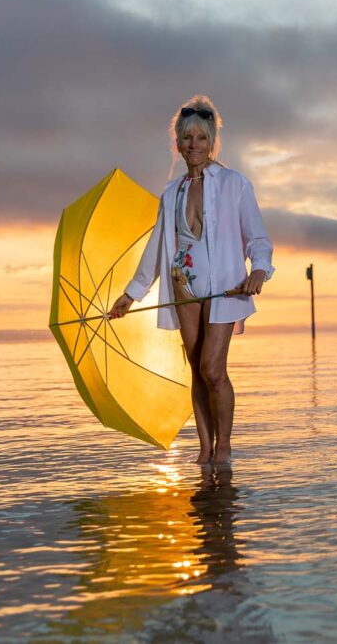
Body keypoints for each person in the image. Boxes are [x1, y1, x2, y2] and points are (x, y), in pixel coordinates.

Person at [108, 95, 274, 467]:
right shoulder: (171, 192)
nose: (193, 145)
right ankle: (204, 449)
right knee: (196, 368)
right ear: (178, 144)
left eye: (200, 138)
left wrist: (259, 269)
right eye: (186, 139)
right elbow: (157, 247)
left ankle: (225, 447)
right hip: (183, 284)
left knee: (213, 369)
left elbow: (257, 237)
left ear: (212, 141)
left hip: (225, 285)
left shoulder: (235, 184)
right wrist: (130, 295)